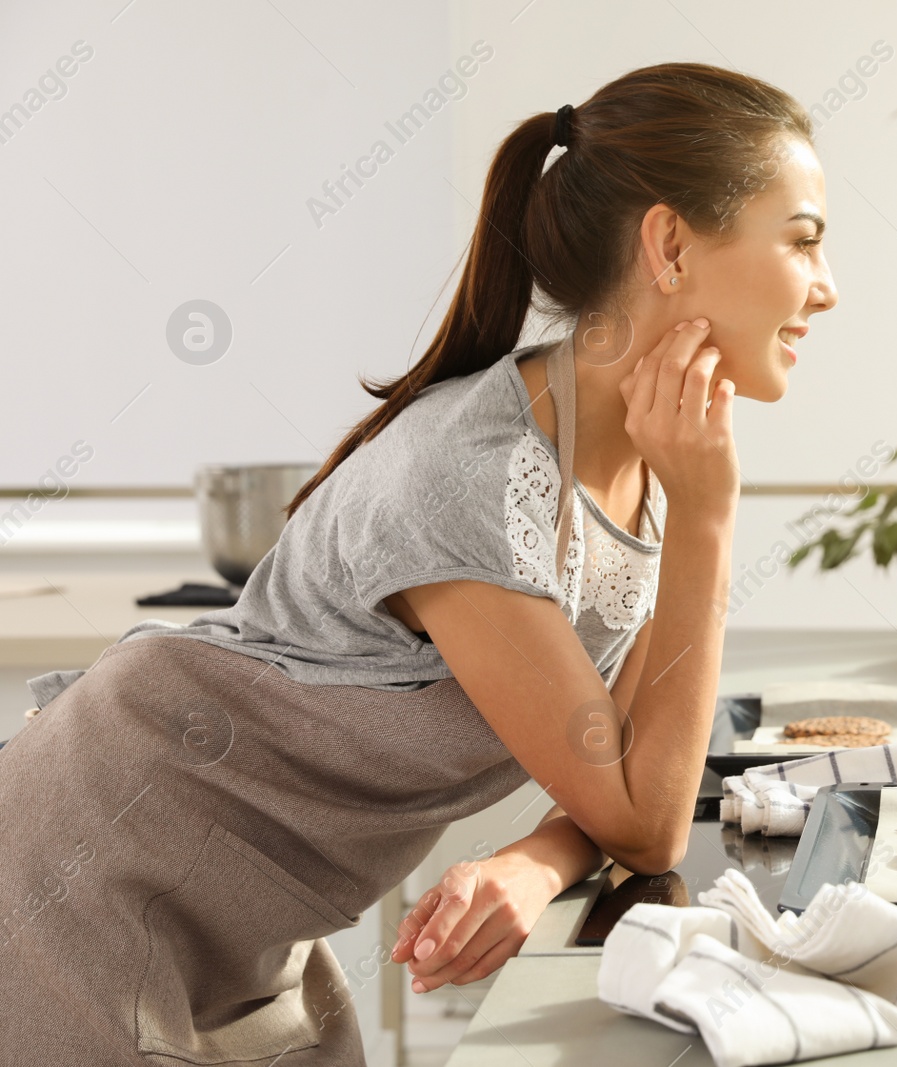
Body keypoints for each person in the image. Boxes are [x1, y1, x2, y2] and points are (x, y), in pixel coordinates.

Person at [0, 60, 836, 1063]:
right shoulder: (476, 482)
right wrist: (709, 514)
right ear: (667, 245)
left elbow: (621, 772)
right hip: (89, 860)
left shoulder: (639, 461)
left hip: (242, 906)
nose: (825, 289)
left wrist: (531, 863)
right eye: (803, 242)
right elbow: (648, 821)